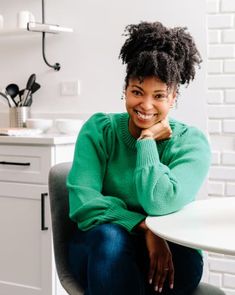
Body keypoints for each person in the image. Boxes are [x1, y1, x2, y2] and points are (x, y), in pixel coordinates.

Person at [67, 21, 211, 295]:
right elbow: (83, 203)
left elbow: (159, 202)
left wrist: (146, 142)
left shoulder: (191, 143)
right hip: (102, 248)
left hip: (171, 256)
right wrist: (145, 228)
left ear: (173, 96)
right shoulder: (99, 130)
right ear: (125, 89)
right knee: (109, 238)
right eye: (137, 92)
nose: (145, 106)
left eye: (158, 96)